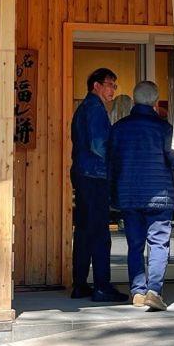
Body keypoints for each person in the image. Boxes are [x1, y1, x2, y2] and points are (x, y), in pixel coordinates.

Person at [108, 80, 174, 311]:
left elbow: (111, 164)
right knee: (159, 243)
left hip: (129, 195)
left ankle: (137, 292)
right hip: (159, 195)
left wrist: (113, 193)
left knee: (135, 244)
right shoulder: (164, 128)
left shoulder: (119, 128)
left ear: (134, 98)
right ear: (155, 101)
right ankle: (154, 291)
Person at [71, 67, 126, 302]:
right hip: (95, 176)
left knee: (84, 232)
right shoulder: (94, 109)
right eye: (110, 84)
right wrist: (117, 161)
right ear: (96, 85)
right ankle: (102, 286)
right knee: (100, 233)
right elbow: (98, 145)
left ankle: (80, 284)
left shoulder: (84, 108)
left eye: (114, 85)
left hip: (83, 175)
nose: (113, 89)